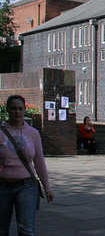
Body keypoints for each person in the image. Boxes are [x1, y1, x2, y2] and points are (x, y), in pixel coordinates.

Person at [0, 95, 54, 236]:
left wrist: (47, 188)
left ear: (24, 110)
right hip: (2, 186)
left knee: (26, 229)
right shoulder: (1, 132)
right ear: (7, 110)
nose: (17, 112)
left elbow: (39, 162)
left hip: (26, 186)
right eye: (13, 109)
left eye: (20, 109)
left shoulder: (33, 134)